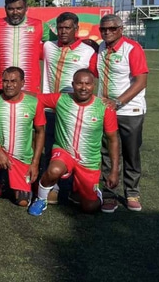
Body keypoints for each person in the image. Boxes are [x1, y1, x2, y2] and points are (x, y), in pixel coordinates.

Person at [29, 69, 120, 216]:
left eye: (87, 84)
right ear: (73, 85)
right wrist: (2, 91)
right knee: (54, 170)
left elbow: (113, 140)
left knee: (90, 208)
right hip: (64, 152)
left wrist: (114, 171)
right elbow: (35, 97)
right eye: (79, 83)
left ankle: (87, 192)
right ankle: (40, 199)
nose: (83, 87)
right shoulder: (61, 99)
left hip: (88, 161)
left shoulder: (105, 108)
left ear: (93, 85)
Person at [91, 14, 149, 212]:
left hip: (130, 111)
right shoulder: (101, 48)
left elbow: (141, 82)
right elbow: (93, 73)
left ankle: (132, 192)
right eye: (103, 29)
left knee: (131, 153)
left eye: (112, 28)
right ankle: (109, 194)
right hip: (106, 110)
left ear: (121, 29)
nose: (107, 32)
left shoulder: (132, 48)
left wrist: (118, 102)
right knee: (106, 153)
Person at [40, 12, 97, 202]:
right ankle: (52, 187)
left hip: (74, 111)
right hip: (49, 110)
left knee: (76, 150)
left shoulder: (88, 51)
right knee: (49, 148)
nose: (63, 31)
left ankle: (77, 187)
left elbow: (96, 75)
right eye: (60, 28)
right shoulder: (48, 46)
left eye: (67, 28)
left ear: (76, 29)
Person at [0, 67, 46, 217]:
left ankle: (6, 179)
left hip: (22, 156)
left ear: (22, 83)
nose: (9, 85)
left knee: (22, 202)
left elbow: (40, 132)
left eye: (13, 81)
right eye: (5, 81)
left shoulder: (34, 103)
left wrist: (35, 163)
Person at [0, 0, 47, 94]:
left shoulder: (39, 25)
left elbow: (60, 43)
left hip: (30, 88)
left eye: (19, 8)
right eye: (11, 9)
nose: (15, 12)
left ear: (26, 8)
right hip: (3, 88)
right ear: (5, 9)